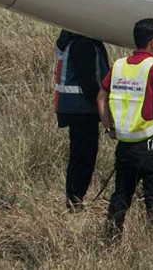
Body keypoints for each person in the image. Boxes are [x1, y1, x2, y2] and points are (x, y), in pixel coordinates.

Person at [97, 18, 153, 238]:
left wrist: (109, 128)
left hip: (124, 145)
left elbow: (101, 98)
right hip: (151, 146)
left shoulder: (119, 66)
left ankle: (111, 238)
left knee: (121, 195)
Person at [54, 30, 110, 210]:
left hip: (73, 108)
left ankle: (74, 200)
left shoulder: (72, 41)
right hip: (83, 110)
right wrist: (105, 107)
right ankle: (74, 202)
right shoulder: (85, 44)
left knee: (80, 156)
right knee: (83, 157)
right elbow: (90, 82)